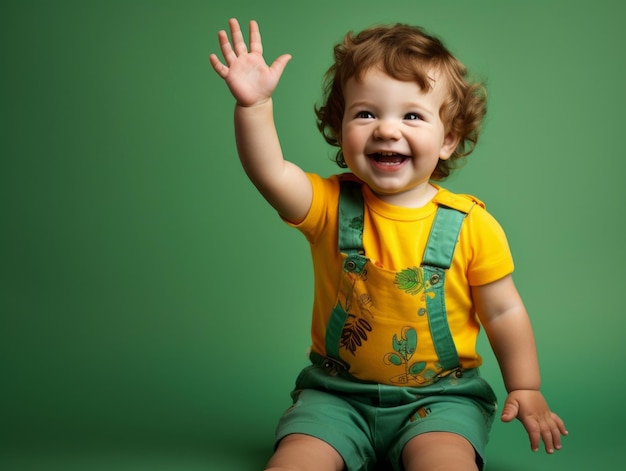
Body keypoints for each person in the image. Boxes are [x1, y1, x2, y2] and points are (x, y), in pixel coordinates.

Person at [210, 18, 567, 471]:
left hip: (440, 401)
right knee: (295, 462)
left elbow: (503, 311)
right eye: (366, 113)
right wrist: (255, 105)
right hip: (336, 396)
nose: (386, 129)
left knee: (443, 463)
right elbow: (270, 173)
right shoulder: (329, 205)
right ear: (340, 129)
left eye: (412, 115)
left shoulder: (471, 224)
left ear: (449, 139)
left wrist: (526, 386)